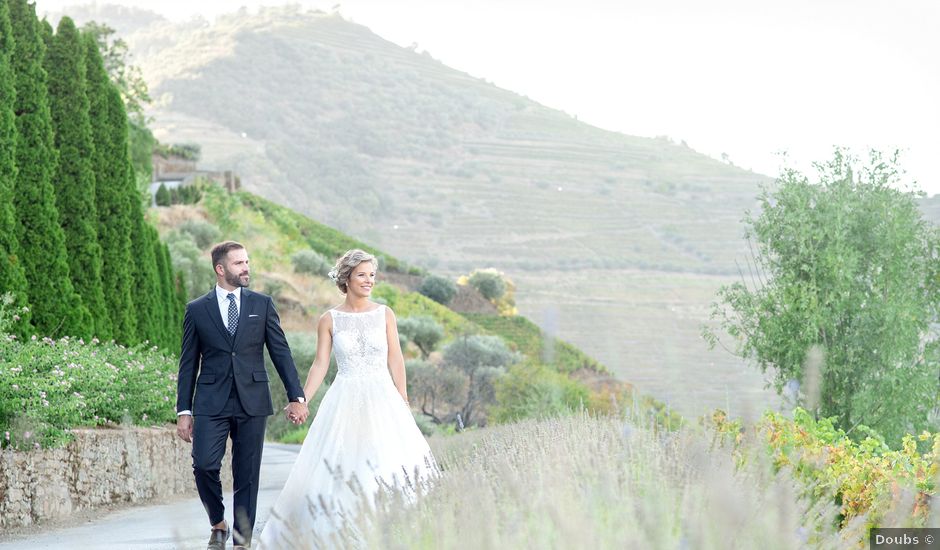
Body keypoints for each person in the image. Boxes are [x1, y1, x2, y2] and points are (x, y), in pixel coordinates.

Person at [258, 249, 438, 549]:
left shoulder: (385, 313)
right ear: (346, 278)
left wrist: (403, 398)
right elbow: (320, 364)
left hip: (383, 399)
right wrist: (302, 399)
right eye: (362, 275)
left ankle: (389, 532)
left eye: (372, 275)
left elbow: (396, 359)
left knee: (385, 462)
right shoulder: (329, 319)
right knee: (344, 462)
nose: (369, 281)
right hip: (345, 398)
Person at [176, 241, 309, 550]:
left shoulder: (262, 304)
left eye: (247, 262)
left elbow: (281, 352)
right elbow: (187, 363)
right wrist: (184, 408)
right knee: (204, 465)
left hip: (253, 399)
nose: (246, 267)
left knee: (247, 474)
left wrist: (296, 396)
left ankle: (240, 541)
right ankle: (218, 524)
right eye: (238, 263)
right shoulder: (197, 309)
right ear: (220, 269)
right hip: (210, 400)